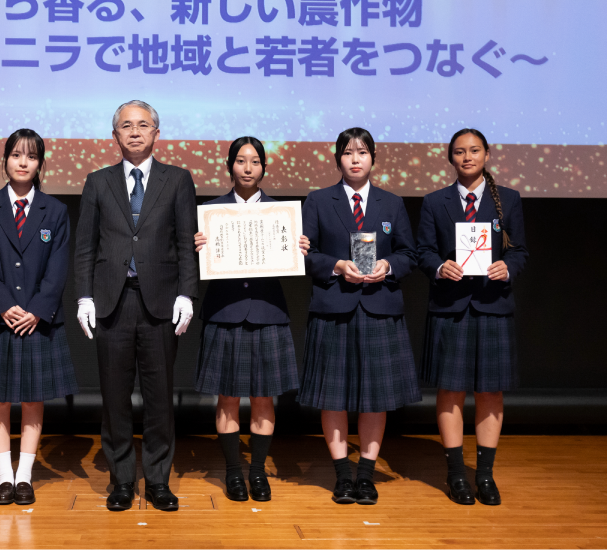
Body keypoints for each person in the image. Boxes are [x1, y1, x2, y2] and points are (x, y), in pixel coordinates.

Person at [74, 100, 198, 511]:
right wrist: (84, 296)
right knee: (114, 398)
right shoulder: (98, 181)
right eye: (126, 126)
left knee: (160, 398)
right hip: (113, 302)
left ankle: (158, 480)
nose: (135, 132)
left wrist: (187, 293)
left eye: (143, 125)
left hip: (160, 302)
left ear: (156, 133)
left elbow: (186, 243)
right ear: (115, 135)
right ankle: (122, 480)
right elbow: (85, 246)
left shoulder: (177, 179)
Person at [298, 127, 421, 505]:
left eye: (363, 152)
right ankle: (341, 475)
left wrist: (388, 265)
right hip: (334, 306)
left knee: (375, 397)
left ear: (373, 158)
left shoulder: (391, 203)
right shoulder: (318, 200)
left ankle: (365, 475)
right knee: (332, 397)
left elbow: (409, 254)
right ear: (338, 158)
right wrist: (337, 266)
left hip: (379, 306)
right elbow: (305, 254)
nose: (355, 159)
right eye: (348, 152)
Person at [0, 129, 78, 506]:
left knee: (33, 400)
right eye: (16, 155)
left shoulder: (55, 211)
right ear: (5, 160)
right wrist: (2, 304)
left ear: (40, 163)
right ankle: (4, 477)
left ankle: (24, 476)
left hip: (37, 320)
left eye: (31, 156)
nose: (23, 162)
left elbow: (58, 268)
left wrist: (38, 310)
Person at [192, 137, 309, 502]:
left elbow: (292, 261)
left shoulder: (282, 214)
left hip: (267, 311)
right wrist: (197, 248)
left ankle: (257, 472)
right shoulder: (210, 213)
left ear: (263, 168)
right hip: (225, 312)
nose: (247, 167)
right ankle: (233, 473)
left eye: (255, 161)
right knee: (227, 398)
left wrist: (299, 248)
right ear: (230, 166)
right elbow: (196, 263)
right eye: (241, 161)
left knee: (263, 399)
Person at [417, 128, 528, 506]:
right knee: (450, 390)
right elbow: (423, 252)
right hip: (451, 306)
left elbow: (520, 251)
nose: (467, 157)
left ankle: (484, 475)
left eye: (474, 150)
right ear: (450, 157)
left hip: (492, 304)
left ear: (487, 155)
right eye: (460, 152)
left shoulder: (508, 200)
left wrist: (507, 267)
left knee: (490, 391)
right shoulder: (435, 202)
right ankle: (455, 474)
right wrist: (439, 267)